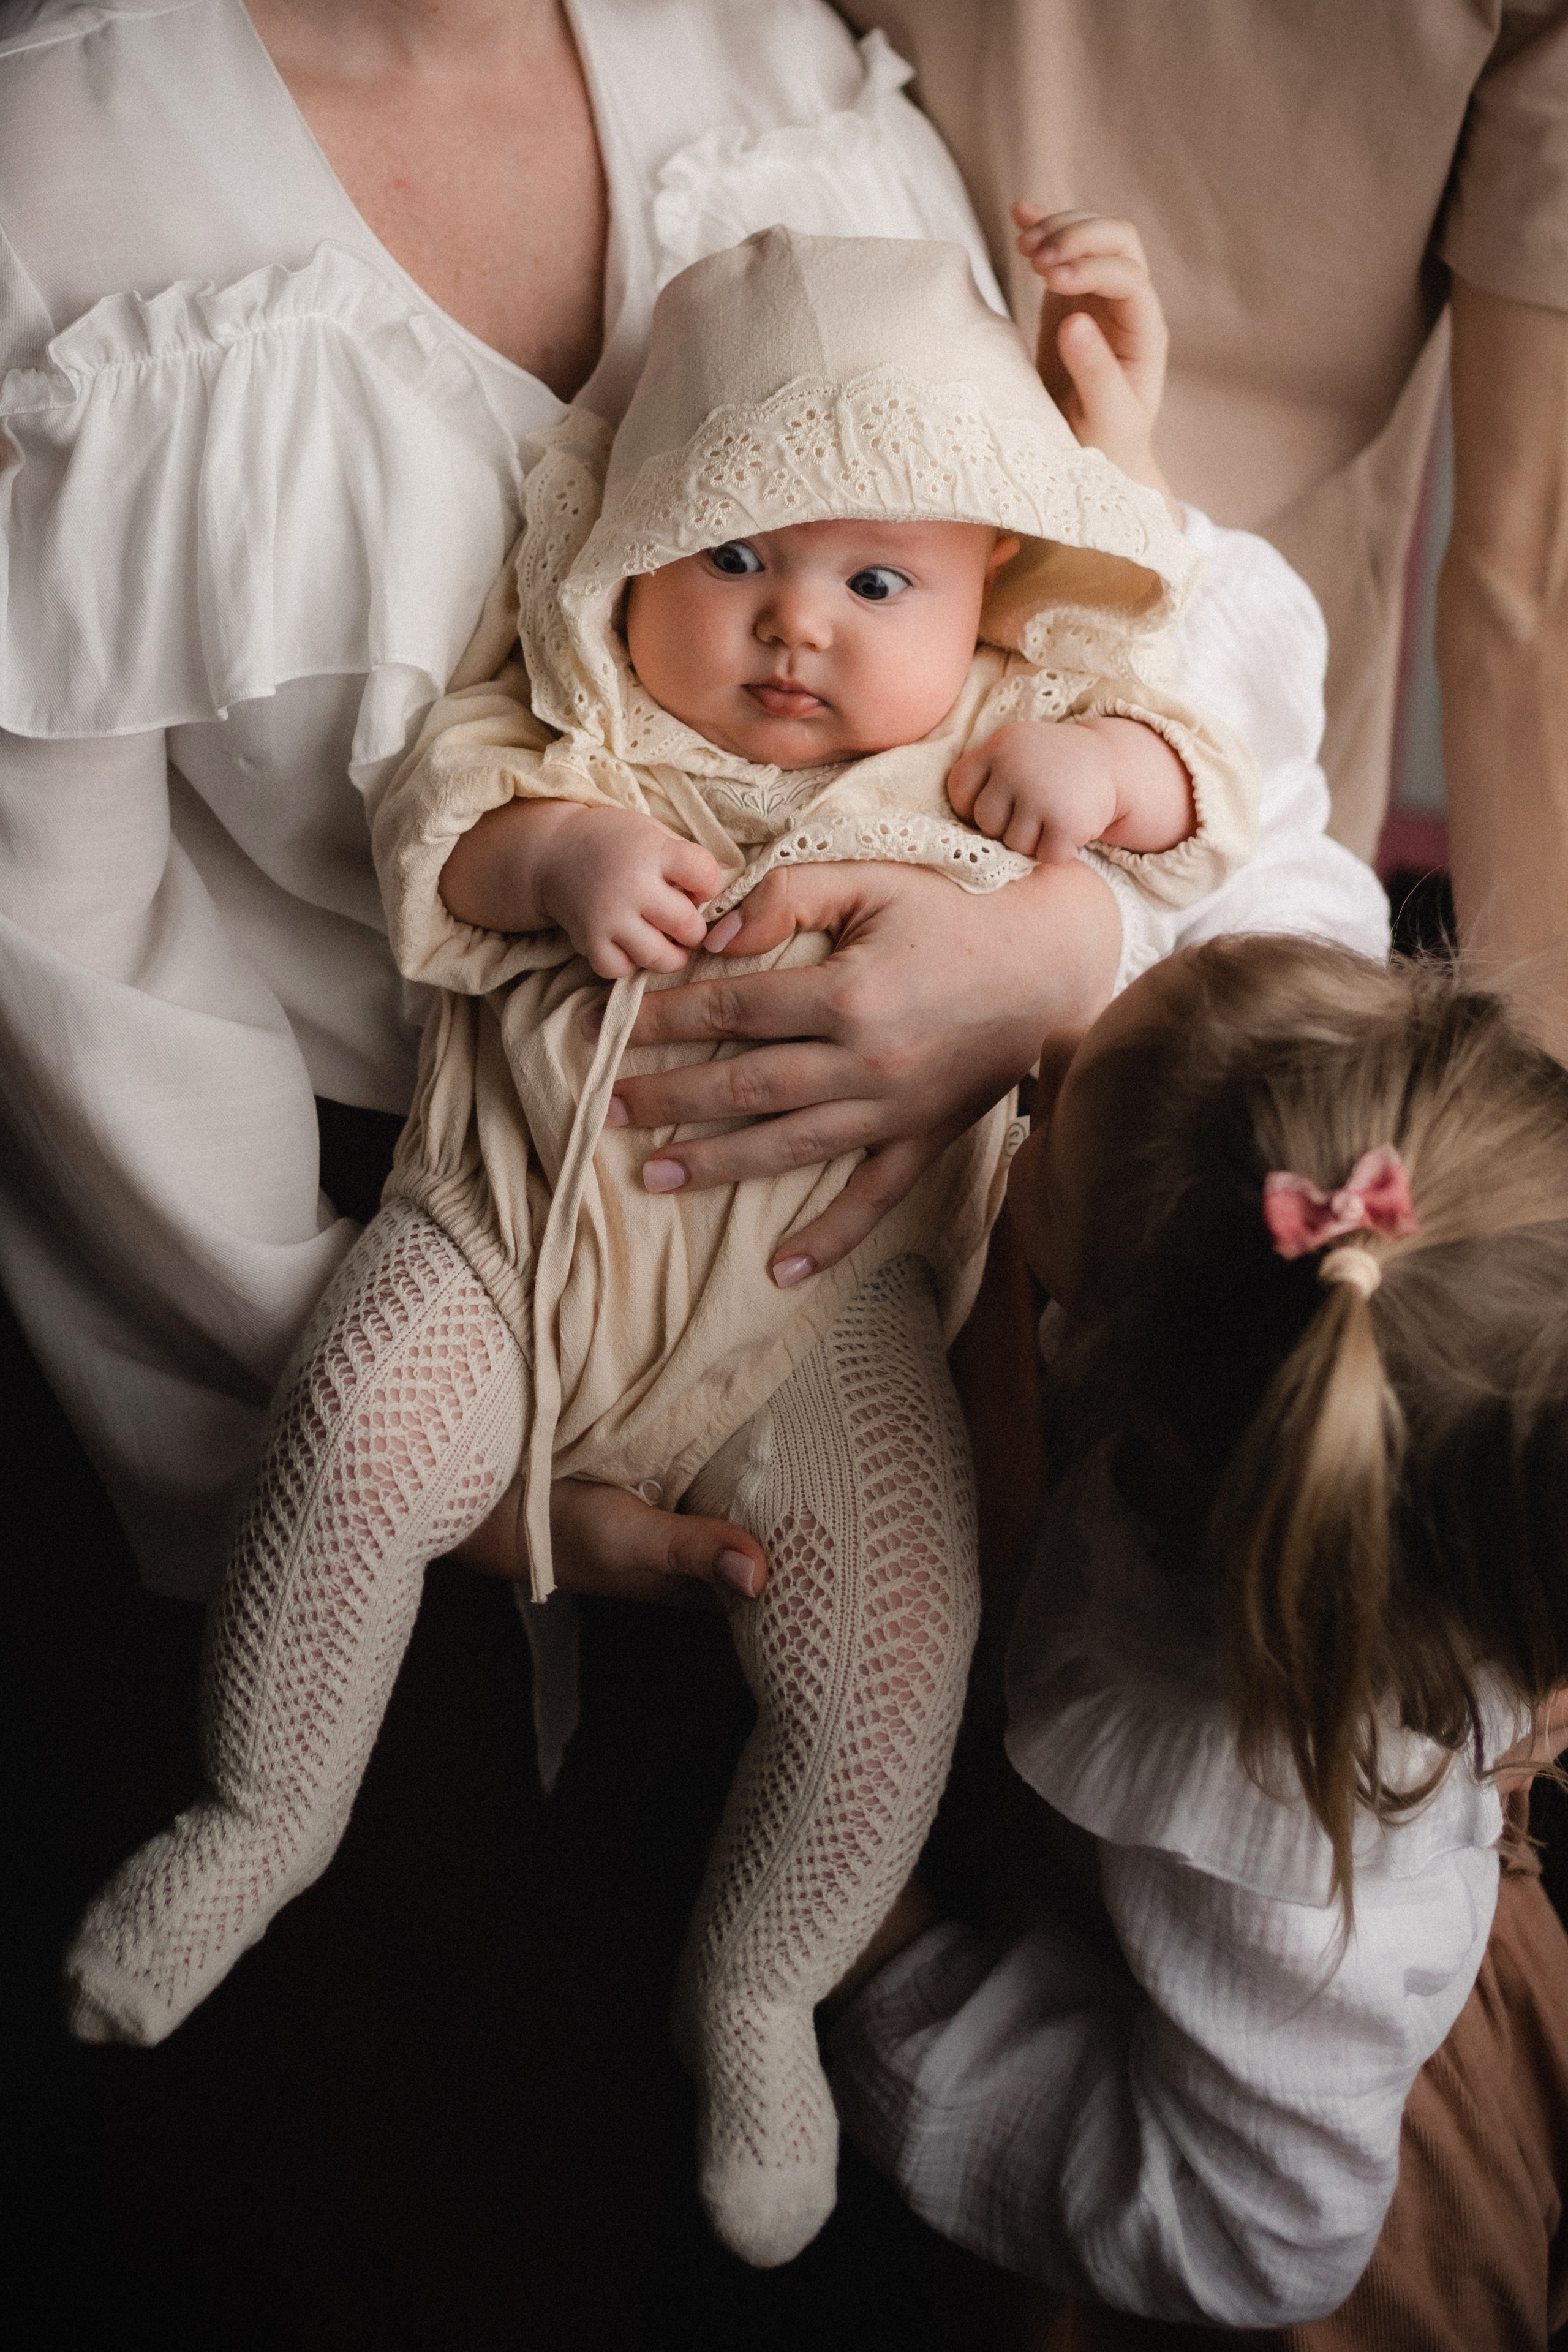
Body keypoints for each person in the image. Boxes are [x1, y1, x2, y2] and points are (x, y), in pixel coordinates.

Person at [62, 221, 1261, 2269]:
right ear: (634, 559)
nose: (797, 626)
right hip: (508, 1250)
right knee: (346, 1440)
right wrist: (562, 852)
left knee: (891, 1653)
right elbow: (444, 815)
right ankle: (261, 1813)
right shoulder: (573, 703)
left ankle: (763, 1994)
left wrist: (1117, 769)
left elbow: (1194, 762)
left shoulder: (989, 722)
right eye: (734, 563)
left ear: (980, 588)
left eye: (875, 580)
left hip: (823, 1322)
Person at [832, 933, 1568, 2334]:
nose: (1039, 1059)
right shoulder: (1395, 1334)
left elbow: (1263, 2235)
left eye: (1039, 1123)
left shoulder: (1268, 1879)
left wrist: (898, 1986)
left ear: (1126, 1397)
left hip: (1217, 2153)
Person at [842, 1, 1568, 1055]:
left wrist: (1515, 1163)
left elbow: (1530, 595)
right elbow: (1528, 591)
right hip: (791, 633)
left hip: (1226, 752)